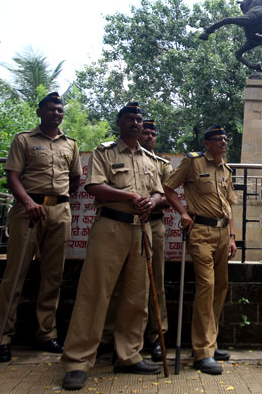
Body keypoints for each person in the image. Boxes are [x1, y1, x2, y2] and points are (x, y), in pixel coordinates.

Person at [61, 102, 164, 390]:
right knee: (94, 294)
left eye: (139, 119)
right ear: (119, 123)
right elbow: (93, 186)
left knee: (137, 296)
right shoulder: (104, 151)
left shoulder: (147, 158)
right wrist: (130, 195)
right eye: (130, 118)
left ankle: (128, 355)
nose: (135, 123)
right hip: (111, 226)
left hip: (141, 229)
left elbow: (157, 192)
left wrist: (150, 202)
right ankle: (78, 361)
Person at [0, 92, 81, 362]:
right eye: (51, 109)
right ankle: (2, 338)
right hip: (27, 212)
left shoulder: (71, 144)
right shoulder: (24, 140)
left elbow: (74, 180)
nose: (56, 113)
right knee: (15, 274)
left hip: (60, 212)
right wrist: (30, 202)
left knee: (53, 276)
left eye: (60, 109)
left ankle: (46, 334)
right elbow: (12, 177)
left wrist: (57, 201)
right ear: (39, 112)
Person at [163, 125, 238, 375]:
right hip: (201, 233)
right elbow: (168, 187)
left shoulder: (226, 168)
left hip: (223, 233)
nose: (224, 142)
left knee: (220, 287)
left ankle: (211, 341)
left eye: (225, 138)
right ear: (207, 143)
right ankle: (202, 352)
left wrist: (233, 237)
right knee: (206, 287)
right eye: (219, 139)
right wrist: (183, 213)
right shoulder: (192, 163)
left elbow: (229, 205)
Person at [99, 120, 172, 361]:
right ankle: (108, 336)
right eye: (146, 131)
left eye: (153, 133)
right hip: (121, 224)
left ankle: (156, 335)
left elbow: (167, 196)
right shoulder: (111, 153)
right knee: (117, 284)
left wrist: (150, 202)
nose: (149, 136)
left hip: (153, 225)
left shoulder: (160, 164)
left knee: (154, 284)